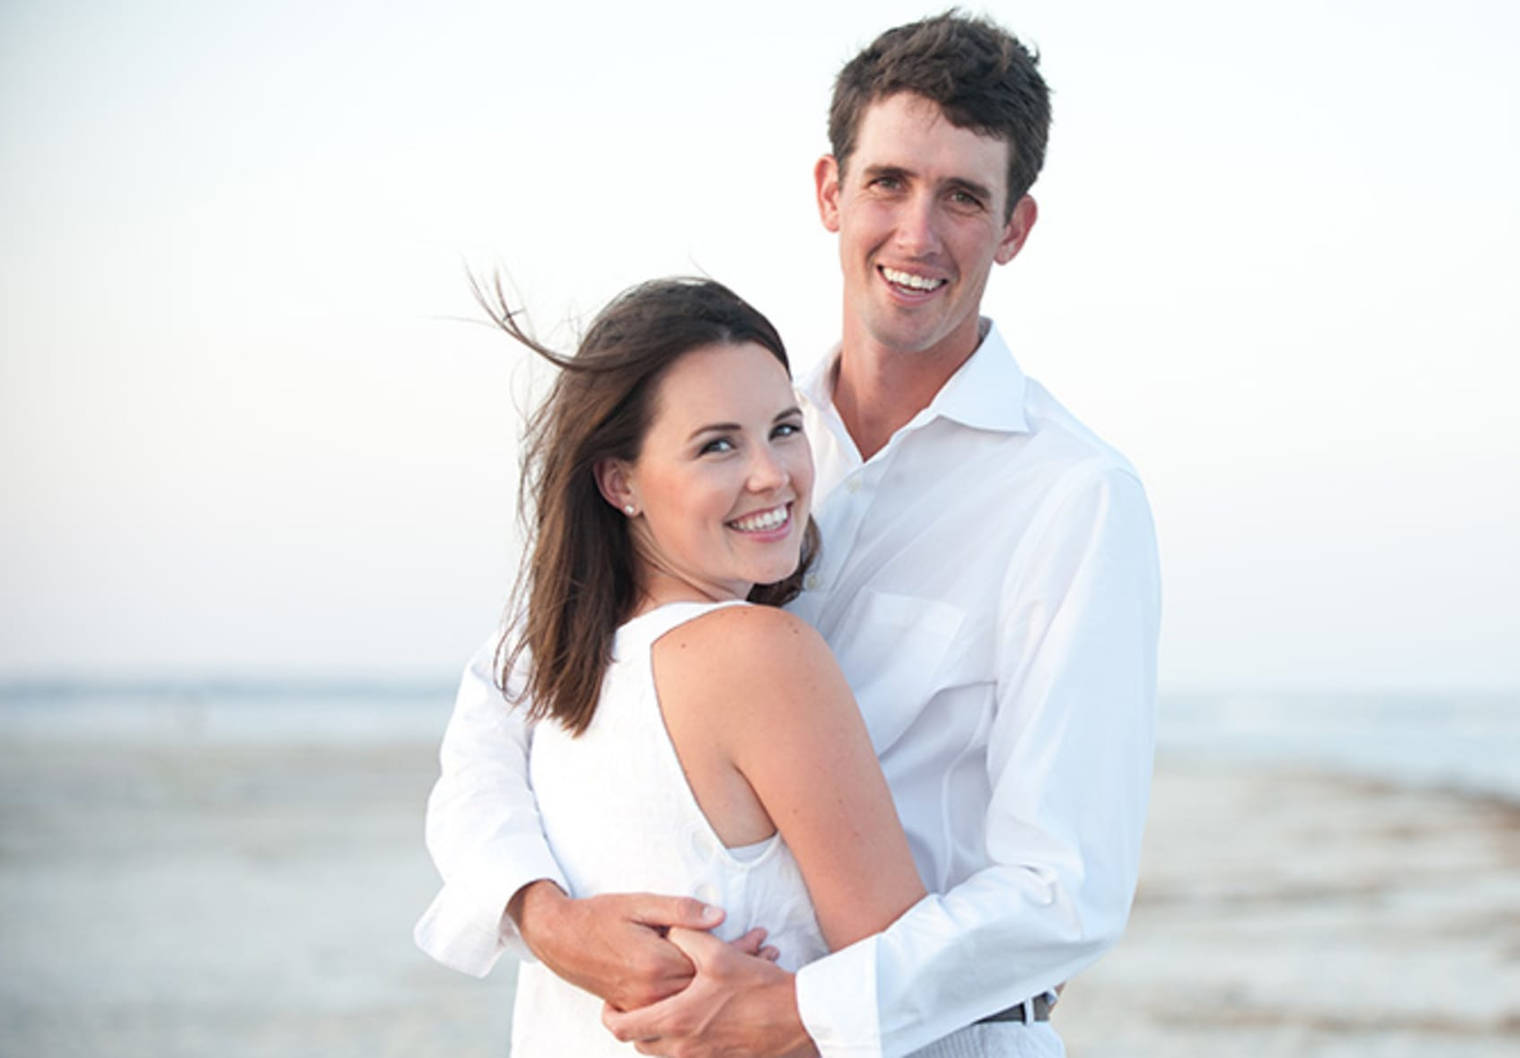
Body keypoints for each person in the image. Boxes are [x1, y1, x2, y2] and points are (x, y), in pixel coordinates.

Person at [416, 14, 1161, 1058]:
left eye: (963, 197)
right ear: (831, 191)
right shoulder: (737, 419)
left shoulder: (1071, 496)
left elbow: (1064, 888)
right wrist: (544, 915)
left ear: (1015, 227)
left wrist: (798, 1014)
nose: (918, 234)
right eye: (890, 182)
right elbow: (504, 697)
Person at [469, 275, 929, 1056]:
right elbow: (903, 984)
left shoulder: (557, 674)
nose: (771, 474)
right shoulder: (757, 654)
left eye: (784, 428)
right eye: (718, 445)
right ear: (621, 483)